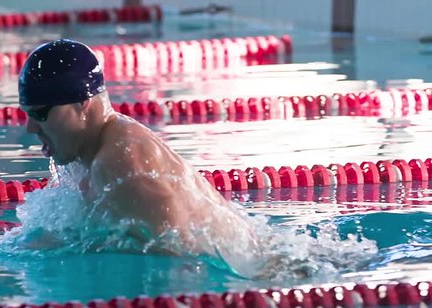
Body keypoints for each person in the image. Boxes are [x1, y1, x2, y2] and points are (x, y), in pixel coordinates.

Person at [18, 39, 256, 263]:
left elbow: (182, 251)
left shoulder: (119, 160)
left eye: (40, 114)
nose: (30, 127)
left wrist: (78, 246)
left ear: (83, 103)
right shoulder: (92, 148)